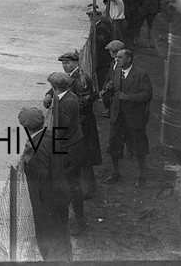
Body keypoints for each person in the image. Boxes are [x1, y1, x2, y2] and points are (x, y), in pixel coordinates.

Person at [44, 52, 101, 200]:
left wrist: (64, 100)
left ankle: (89, 190)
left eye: (68, 63)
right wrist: (50, 94)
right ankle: (86, 189)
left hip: (82, 122)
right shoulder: (71, 76)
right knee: (81, 158)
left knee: (85, 158)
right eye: (63, 63)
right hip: (78, 123)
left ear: (76, 63)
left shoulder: (81, 79)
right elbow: (60, 85)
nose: (65, 66)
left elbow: (85, 102)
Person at [18, 107, 72, 262]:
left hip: (47, 199)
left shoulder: (38, 146)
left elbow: (41, 174)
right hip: (60, 192)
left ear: (26, 127)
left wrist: (28, 162)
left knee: (49, 239)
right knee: (62, 236)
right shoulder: (49, 135)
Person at [100, 48, 152, 186]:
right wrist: (109, 89)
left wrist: (128, 97)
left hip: (134, 117)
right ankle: (115, 173)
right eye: (116, 57)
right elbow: (112, 93)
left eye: (120, 57)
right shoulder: (116, 72)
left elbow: (147, 94)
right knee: (113, 146)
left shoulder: (141, 74)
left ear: (128, 59)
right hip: (118, 116)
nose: (116, 60)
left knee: (138, 147)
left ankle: (142, 176)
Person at [47, 71, 88, 236]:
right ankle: (76, 218)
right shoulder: (68, 96)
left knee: (71, 184)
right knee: (70, 182)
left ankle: (81, 222)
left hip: (68, 147)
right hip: (74, 142)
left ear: (53, 86)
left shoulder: (64, 102)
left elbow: (63, 126)